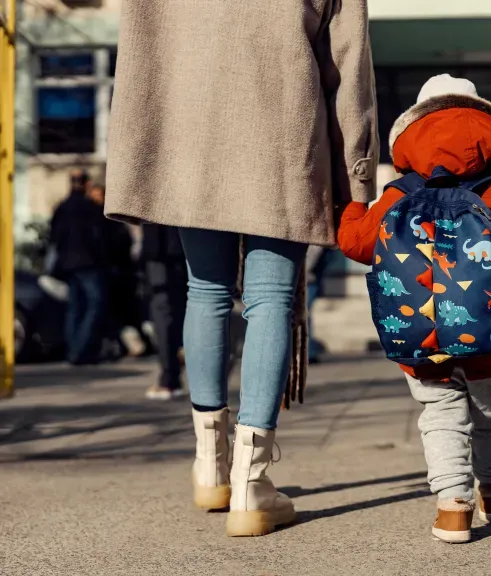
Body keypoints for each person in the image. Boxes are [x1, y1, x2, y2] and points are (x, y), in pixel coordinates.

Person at [105, 1, 377, 537]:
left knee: (203, 290)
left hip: (190, 142)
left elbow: (140, 54)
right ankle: (251, 486)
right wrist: (358, 172)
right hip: (283, 135)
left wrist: (141, 150)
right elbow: (349, 62)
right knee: (271, 299)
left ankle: (211, 467)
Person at [337, 75, 491, 543]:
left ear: (412, 134)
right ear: (487, 130)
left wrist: (354, 209)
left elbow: (357, 243)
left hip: (420, 331)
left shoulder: (399, 194)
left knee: (439, 413)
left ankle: (452, 508)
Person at [49, 169, 109, 365]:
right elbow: (99, 236)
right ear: (85, 184)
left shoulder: (62, 207)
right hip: (88, 262)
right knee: (96, 303)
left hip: (68, 264)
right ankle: (81, 349)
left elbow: (54, 237)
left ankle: (74, 349)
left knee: (75, 308)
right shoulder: (89, 207)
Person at [87, 182, 149, 360]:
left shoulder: (108, 219)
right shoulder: (99, 217)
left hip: (116, 271)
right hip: (112, 269)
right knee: (117, 312)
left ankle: (128, 345)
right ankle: (127, 344)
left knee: (119, 312)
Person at [141, 224, 188, 401]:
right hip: (190, 239)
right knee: (193, 303)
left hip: (162, 246)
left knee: (163, 308)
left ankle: (169, 376)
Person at [305, 246, 329, 364]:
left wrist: (304, 269)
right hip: (308, 275)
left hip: (308, 277)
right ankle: (308, 351)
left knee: (303, 313)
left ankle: (308, 352)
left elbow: (316, 248)